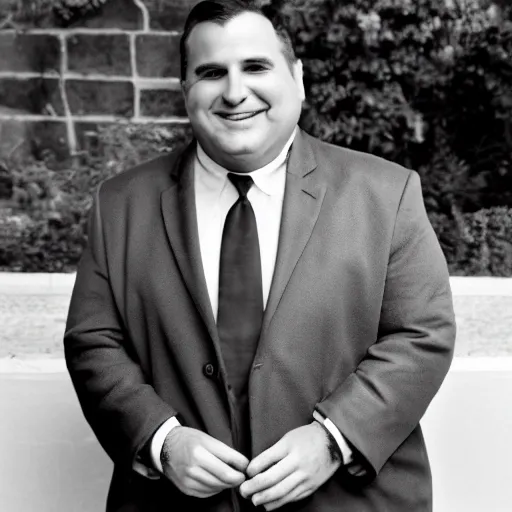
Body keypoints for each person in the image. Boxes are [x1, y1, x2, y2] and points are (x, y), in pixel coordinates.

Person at [64, 1, 456, 511]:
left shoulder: (387, 193)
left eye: (255, 66)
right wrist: (162, 440)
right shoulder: (119, 205)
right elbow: (93, 341)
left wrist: (334, 439)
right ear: (186, 90)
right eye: (210, 73)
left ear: (297, 78)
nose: (233, 92)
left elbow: (422, 335)